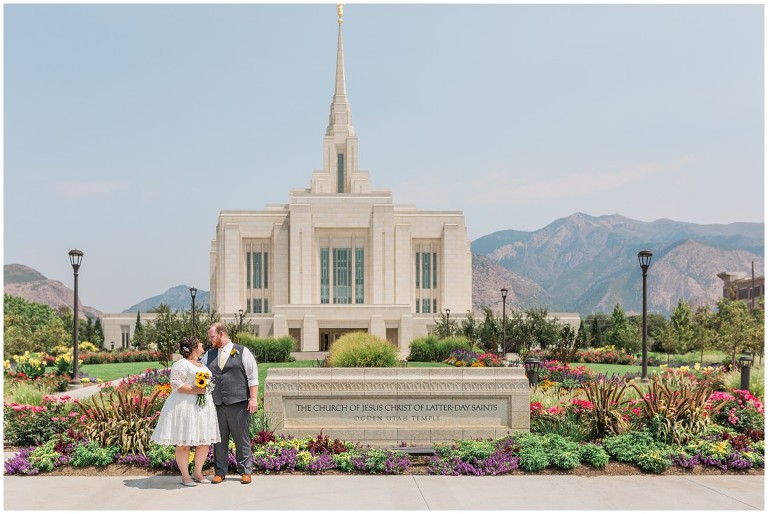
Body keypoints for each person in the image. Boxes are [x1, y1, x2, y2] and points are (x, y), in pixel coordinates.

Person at [150, 336, 220, 487]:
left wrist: (204, 390)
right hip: (186, 407)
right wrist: (197, 390)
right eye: (200, 344)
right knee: (184, 443)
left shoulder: (202, 364)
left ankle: (197, 472)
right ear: (194, 348)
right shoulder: (181, 364)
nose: (203, 345)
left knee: (204, 442)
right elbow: (176, 385)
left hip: (202, 409)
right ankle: (185, 476)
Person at [205, 322, 259, 484]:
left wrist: (253, 398)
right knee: (219, 440)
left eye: (212, 336)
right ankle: (220, 472)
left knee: (241, 438)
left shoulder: (243, 351)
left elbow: (252, 376)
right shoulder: (209, 354)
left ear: (222, 334)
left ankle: (245, 471)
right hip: (218, 404)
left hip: (239, 402)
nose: (210, 339)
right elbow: (200, 372)